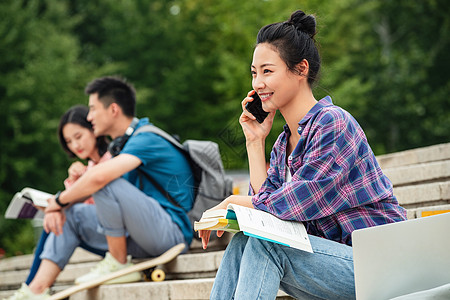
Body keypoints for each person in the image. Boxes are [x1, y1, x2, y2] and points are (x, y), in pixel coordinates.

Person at [199, 10, 407, 299]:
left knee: (265, 244)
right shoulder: (284, 143)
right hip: (335, 263)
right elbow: (266, 214)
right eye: (254, 73)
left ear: (301, 69)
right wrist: (255, 141)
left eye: (267, 71)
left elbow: (293, 202)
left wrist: (234, 201)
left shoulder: (332, 123)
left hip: (383, 265)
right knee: (244, 241)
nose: (257, 83)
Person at [45, 76, 195, 285]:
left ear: (113, 109)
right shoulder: (124, 145)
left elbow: (99, 177)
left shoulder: (146, 138)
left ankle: (117, 262)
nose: (89, 117)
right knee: (72, 215)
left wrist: (58, 200)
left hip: (171, 234)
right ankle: (36, 289)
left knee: (105, 179)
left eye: (93, 109)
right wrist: (59, 207)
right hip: (143, 233)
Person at [6, 105, 111, 300]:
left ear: (94, 130)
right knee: (55, 217)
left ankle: (34, 289)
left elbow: (99, 208)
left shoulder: (112, 160)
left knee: (62, 216)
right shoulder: (88, 167)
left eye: (78, 137)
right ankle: (33, 288)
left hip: (117, 235)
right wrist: (73, 185)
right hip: (99, 232)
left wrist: (59, 205)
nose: (74, 145)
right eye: (69, 141)